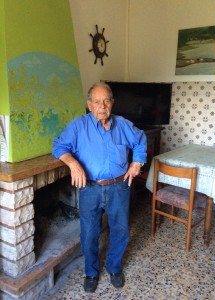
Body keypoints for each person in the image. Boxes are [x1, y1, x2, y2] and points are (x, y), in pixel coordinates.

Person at [52, 82, 147, 293]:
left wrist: (136, 162)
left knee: (120, 231)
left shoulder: (123, 125)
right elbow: (59, 146)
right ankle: (92, 272)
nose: (102, 106)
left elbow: (140, 140)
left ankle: (114, 268)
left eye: (106, 100)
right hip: (90, 188)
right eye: (96, 101)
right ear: (89, 104)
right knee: (88, 234)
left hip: (119, 187)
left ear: (112, 103)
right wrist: (73, 163)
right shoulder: (78, 127)